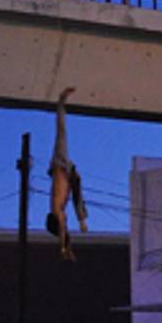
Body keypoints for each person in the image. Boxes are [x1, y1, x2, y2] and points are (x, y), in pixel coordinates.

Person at [45, 87, 89, 260]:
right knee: (77, 192)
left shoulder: (57, 210)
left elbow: (63, 231)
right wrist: (68, 248)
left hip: (59, 164)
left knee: (61, 132)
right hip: (67, 171)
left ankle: (61, 101)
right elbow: (64, 232)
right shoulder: (59, 209)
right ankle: (82, 219)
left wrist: (63, 249)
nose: (65, 222)